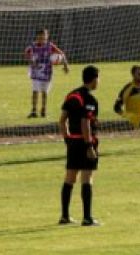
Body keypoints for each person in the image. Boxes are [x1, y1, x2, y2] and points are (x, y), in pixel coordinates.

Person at [58, 65, 101, 226]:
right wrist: (89, 145)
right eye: (99, 78)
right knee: (87, 178)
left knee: (69, 178)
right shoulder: (90, 99)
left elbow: (62, 120)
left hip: (73, 141)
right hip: (85, 141)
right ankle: (87, 217)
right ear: (94, 79)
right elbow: (85, 123)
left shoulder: (71, 95)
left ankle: (64, 216)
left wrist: (67, 139)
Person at [24, 28, 70, 118]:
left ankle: (43, 110)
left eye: (44, 36)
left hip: (47, 72)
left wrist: (65, 65)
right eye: (40, 36)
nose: (42, 38)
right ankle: (33, 111)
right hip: (36, 72)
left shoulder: (50, 46)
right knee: (35, 91)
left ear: (47, 36)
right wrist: (32, 62)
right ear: (37, 37)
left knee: (44, 92)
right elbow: (27, 54)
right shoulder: (32, 46)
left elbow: (62, 54)